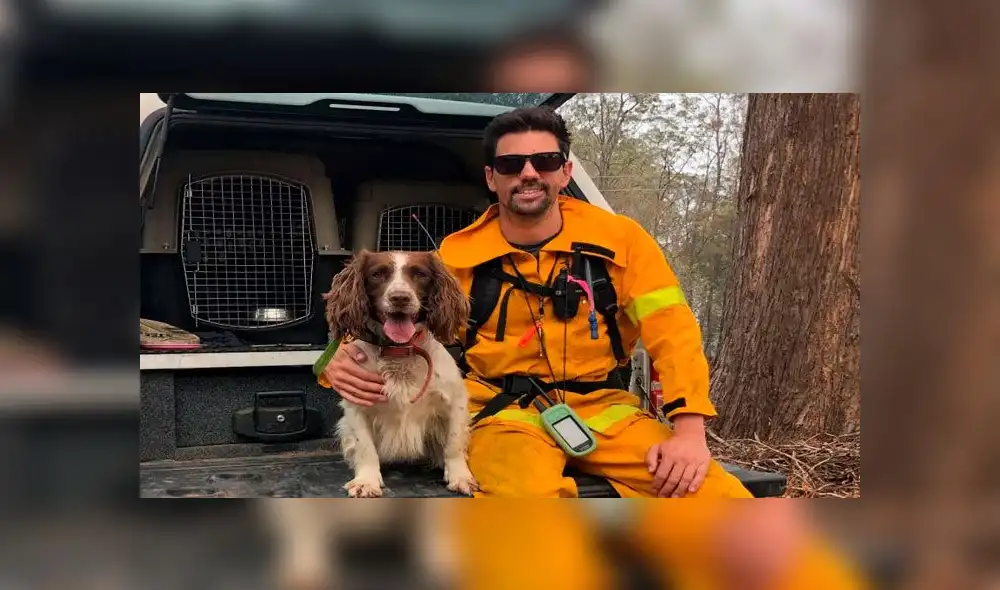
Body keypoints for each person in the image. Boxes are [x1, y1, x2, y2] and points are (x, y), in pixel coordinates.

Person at [324, 105, 748, 499]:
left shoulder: (622, 241)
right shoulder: (456, 255)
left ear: (564, 172)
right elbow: (386, 327)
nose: (528, 173)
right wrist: (332, 360)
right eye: (511, 164)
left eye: (543, 161)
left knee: (720, 501)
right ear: (492, 178)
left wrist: (689, 432)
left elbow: (673, 333)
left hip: (608, 413)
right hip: (503, 416)